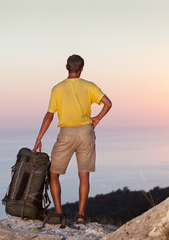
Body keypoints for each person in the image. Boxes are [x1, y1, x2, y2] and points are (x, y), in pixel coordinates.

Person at [32, 54, 112, 223]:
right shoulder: (89, 86)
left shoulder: (57, 88)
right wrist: (97, 118)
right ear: (82, 69)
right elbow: (108, 103)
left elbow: (49, 115)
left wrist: (39, 138)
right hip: (86, 133)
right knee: (84, 176)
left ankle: (59, 214)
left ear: (66, 67)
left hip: (66, 134)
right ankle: (81, 216)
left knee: (53, 174)